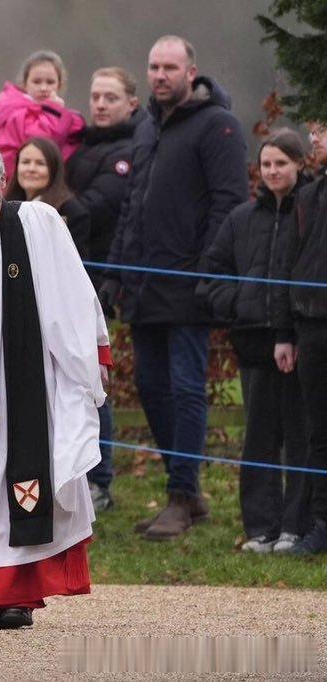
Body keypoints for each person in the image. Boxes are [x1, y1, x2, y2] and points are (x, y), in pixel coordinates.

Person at [0, 139, 110, 630]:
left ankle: (15, 595)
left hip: (27, 380)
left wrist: (95, 352)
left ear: (3, 179)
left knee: (16, 477)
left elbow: (73, 289)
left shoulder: (39, 223)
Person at [100, 35, 249, 540]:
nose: (160, 75)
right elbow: (131, 208)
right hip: (143, 286)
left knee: (187, 389)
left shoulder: (218, 126)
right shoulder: (146, 129)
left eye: (170, 67)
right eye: (153, 67)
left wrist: (206, 272)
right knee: (150, 387)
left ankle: (181, 497)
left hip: (189, 283)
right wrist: (115, 274)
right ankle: (185, 489)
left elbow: (228, 205)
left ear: (192, 72)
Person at [203, 129, 311, 553]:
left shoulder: (310, 214)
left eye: (281, 163)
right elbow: (211, 273)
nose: (272, 171)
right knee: (260, 436)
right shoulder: (241, 218)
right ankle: (262, 526)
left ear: (299, 165)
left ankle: (296, 525)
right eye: (266, 164)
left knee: (299, 435)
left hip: (301, 342)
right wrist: (239, 303)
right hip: (253, 343)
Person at [66, 66, 142, 512]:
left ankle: (101, 478)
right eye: (95, 96)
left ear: (131, 102)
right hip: (70, 273)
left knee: (95, 378)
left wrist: (50, 206)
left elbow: (97, 205)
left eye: (110, 97)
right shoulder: (84, 146)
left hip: (97, 280)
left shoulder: (129, 150)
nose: (99, 104)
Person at [272, 120, 327, 555]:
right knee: (318, 432)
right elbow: (289, 267)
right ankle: (321, 524)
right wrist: (285, 333)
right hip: (310, 327)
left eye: (322, 133)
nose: (315, 141)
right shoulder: (307, 197)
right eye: (313, 133)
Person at [0, 50, 85, 182]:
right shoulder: (17, 114)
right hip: (18, 187)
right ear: (24, 84)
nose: (43, 88)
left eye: (50, 82)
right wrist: (54, 111)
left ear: (60, 85)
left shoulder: (60, 114)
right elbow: (42, 143)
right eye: (37, 82)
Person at [5, 136, 91, 258]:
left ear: (54, 170)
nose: (31, 169)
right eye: (25, 162)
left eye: (40, 163)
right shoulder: (6, 206)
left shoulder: (71, 212)